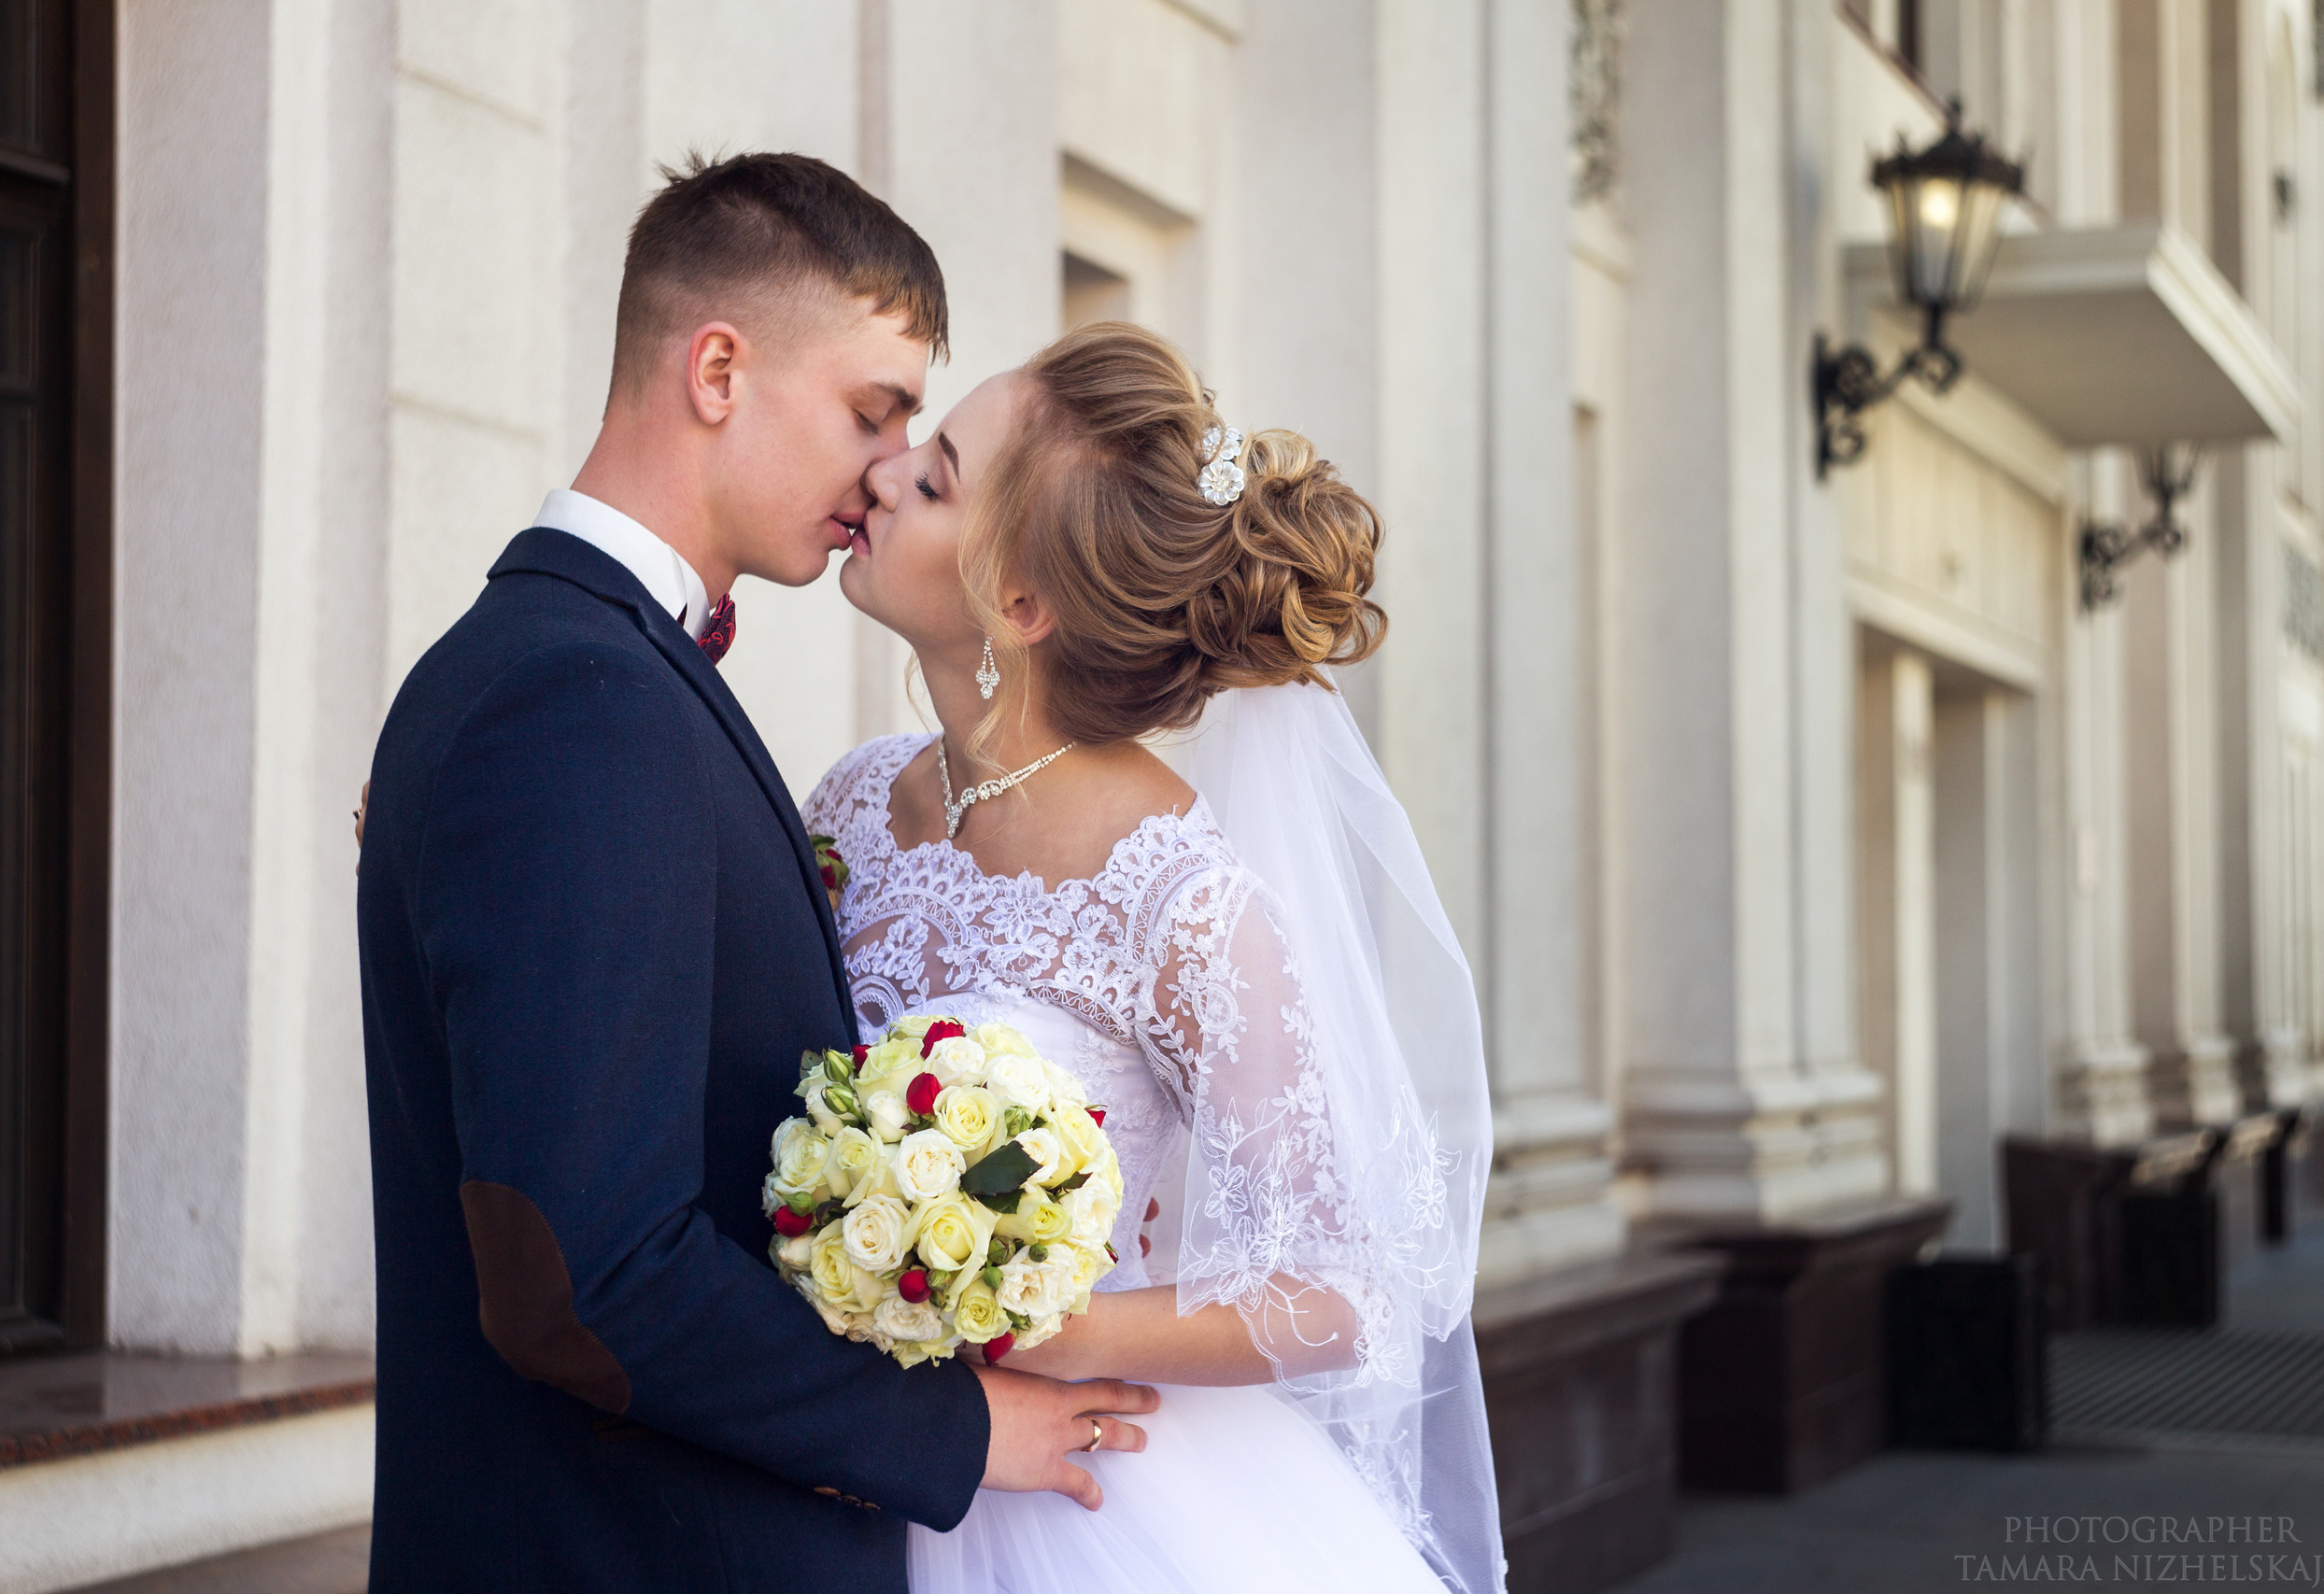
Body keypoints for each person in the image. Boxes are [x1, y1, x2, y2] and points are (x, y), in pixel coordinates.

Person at [355, 153, 1157, 1594]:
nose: (888, 469)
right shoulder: (576, 703)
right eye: (873, 408)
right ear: (718, 369)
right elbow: (585, 1276)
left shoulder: (577, 673)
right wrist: (948, 1426)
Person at [804, 320, 1504, 1594]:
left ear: (1019, 604)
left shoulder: (1180, 896)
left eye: (940, 474)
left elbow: (1346, 1291)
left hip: (1075, 1499)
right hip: (838, 1462)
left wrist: (1056, 1328)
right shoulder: (850, 805)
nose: (887, 467)